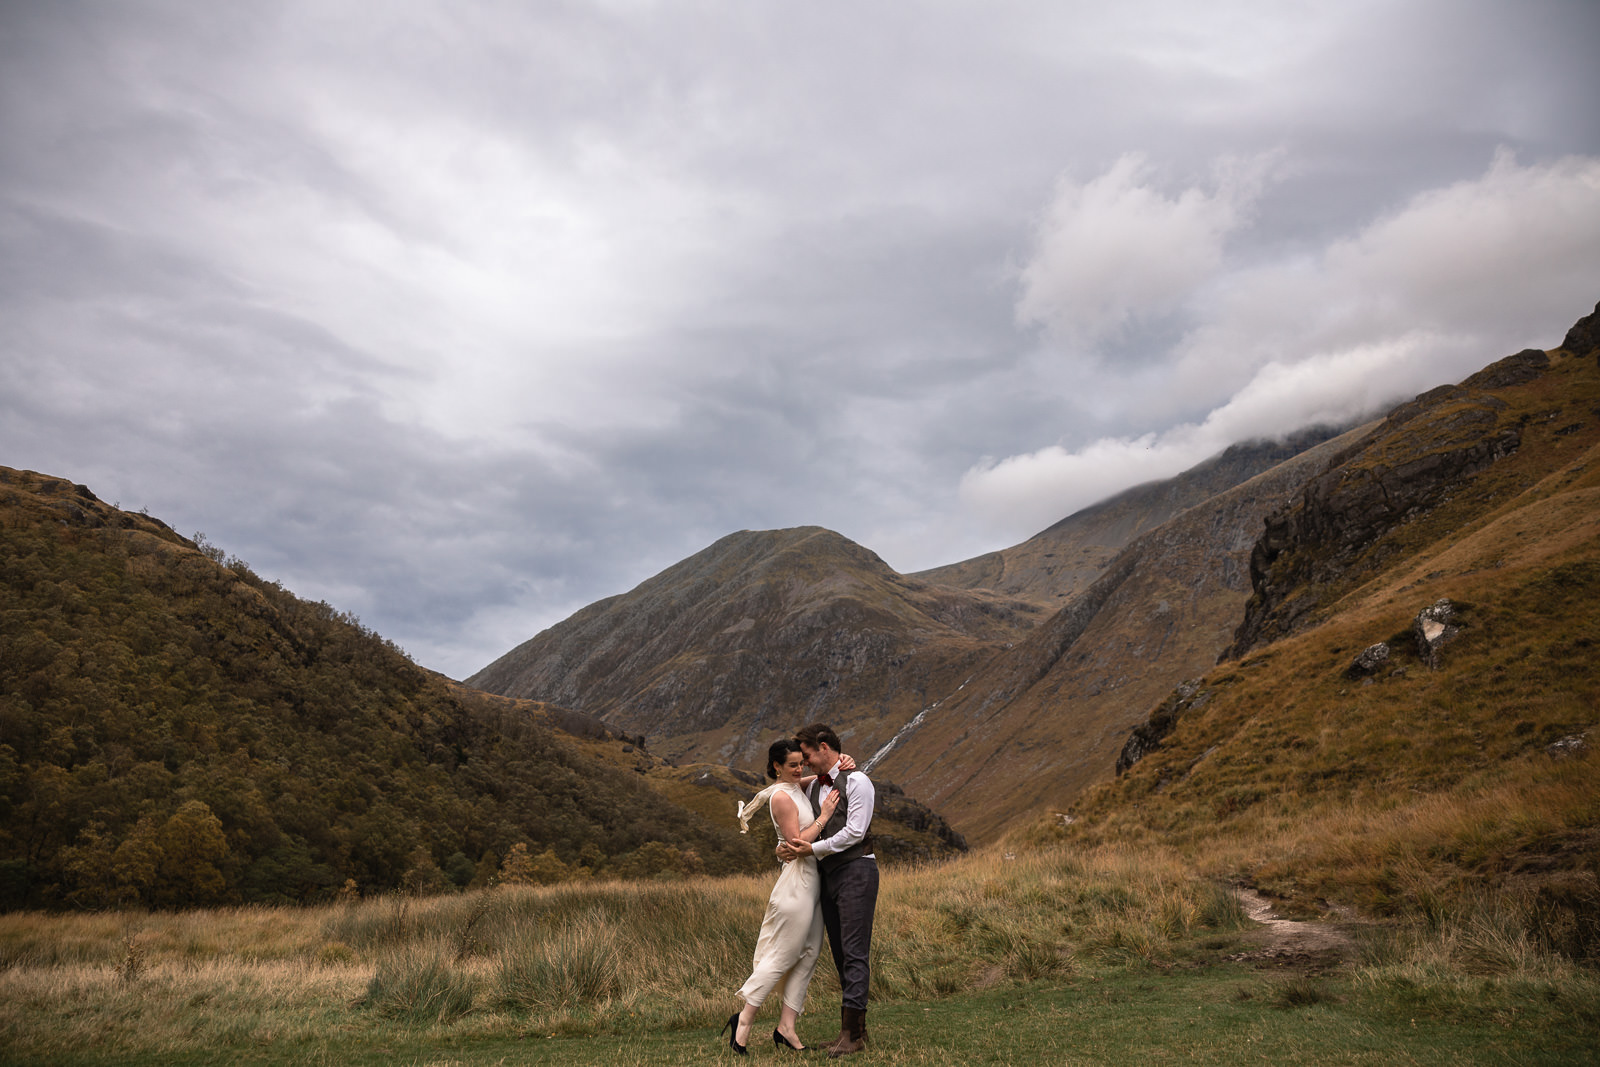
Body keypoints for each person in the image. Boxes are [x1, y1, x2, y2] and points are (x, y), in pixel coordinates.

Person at [721, 739, 853, 1055]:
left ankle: (787, 1028)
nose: (799, 769)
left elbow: (820, 778)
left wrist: (841, 761)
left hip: (811, 884)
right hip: (795, 886)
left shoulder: (796, 786)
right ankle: (742, 1024)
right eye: (792, 764)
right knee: (783, 955)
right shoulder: (781, 797)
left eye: (801, 763)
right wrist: (823, 818)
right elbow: (795, 843)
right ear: (777, 766)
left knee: (809, 952)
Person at [777, 722, 877, 1058]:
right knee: (841, 954)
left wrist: (813, 850)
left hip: (857, 870)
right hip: (829, 876)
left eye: (806, 755)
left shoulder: (859, 781)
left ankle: (852, 1035)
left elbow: (855, 832)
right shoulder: (813, 787)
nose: (803, 763)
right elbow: (785, 787)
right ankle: (853, 1032)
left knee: (854, 951)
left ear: (823, 746)